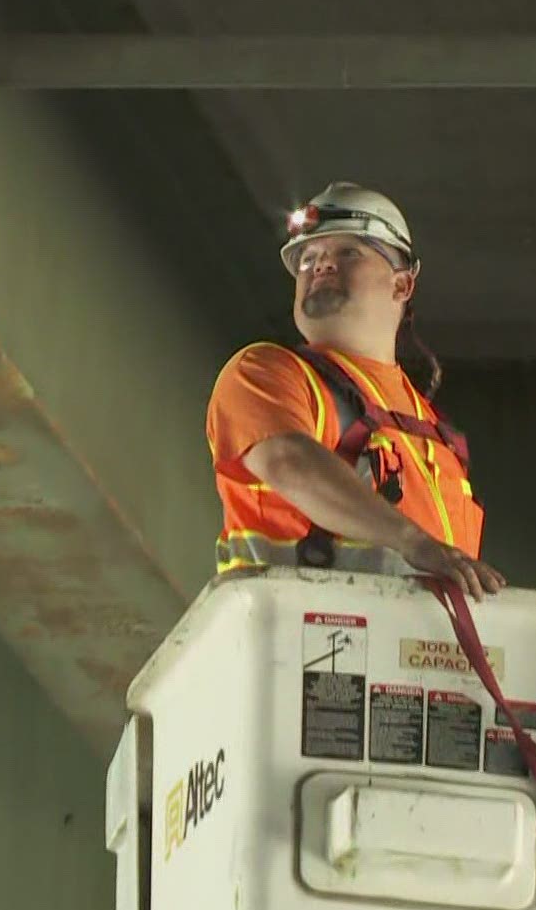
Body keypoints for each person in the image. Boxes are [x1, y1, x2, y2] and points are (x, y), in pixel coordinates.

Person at [204, 182, 507, 600]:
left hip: (411, 660)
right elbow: (289, 461)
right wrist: (416, 543)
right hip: (290, 652)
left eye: (348, 252)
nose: (321, 265)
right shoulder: (265, 373)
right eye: (308, 258)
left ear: (401, 287)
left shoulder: (435, 436)